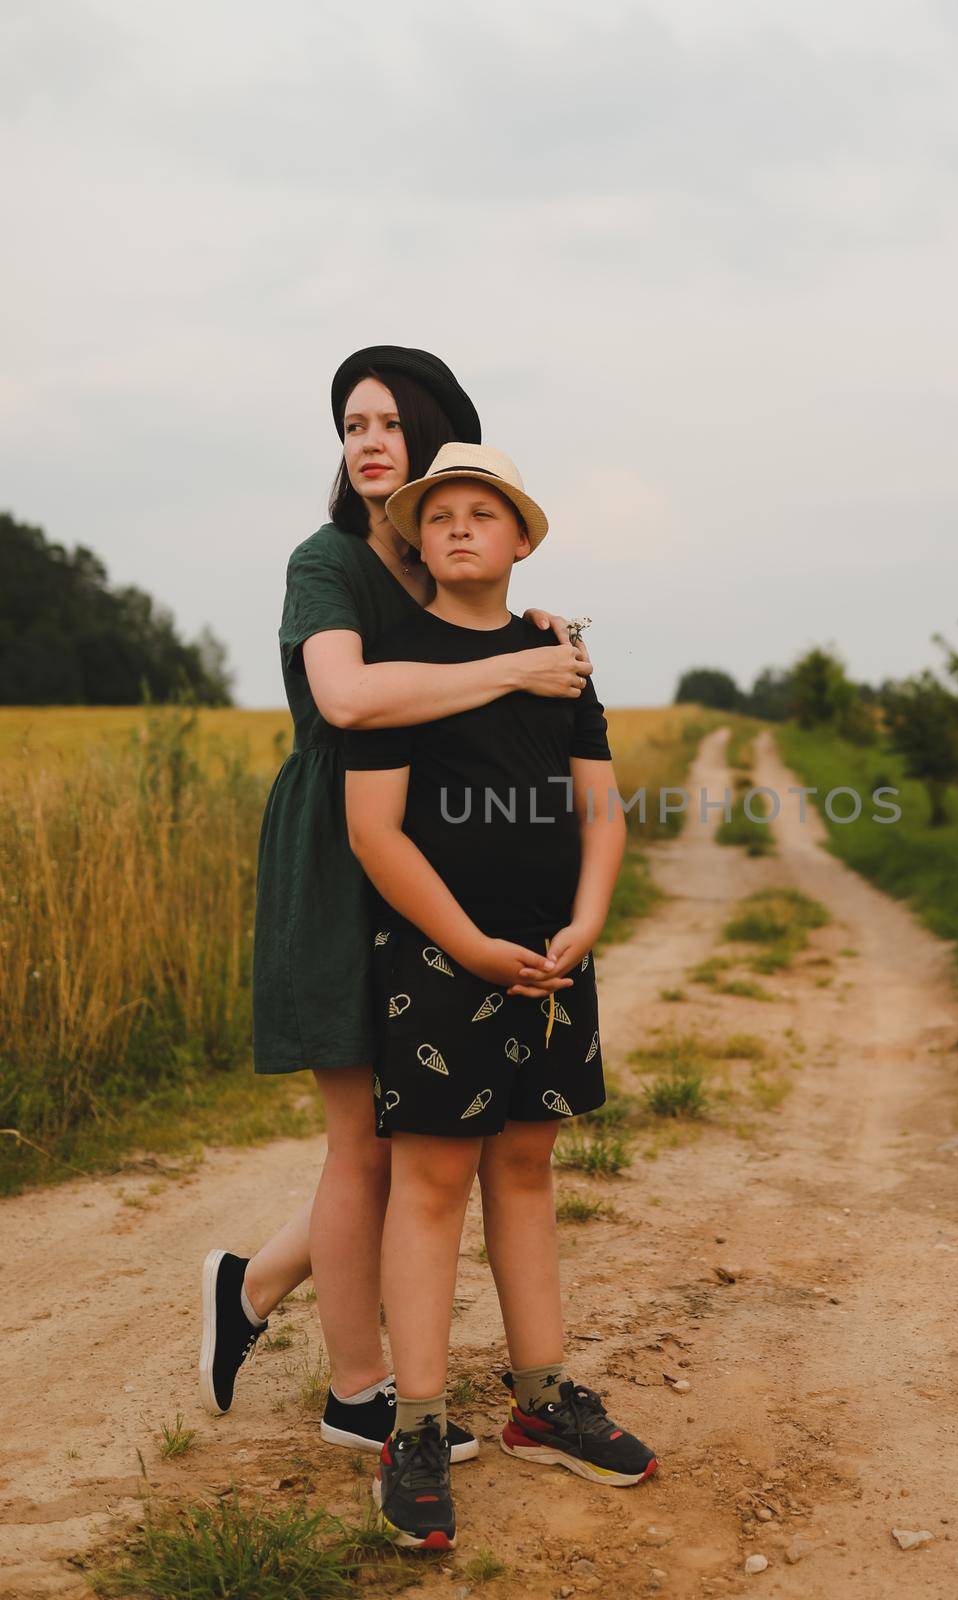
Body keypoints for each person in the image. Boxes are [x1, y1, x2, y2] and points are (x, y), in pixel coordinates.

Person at [199, 348, 592, 1467]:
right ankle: (358, 1394)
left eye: (388, 422)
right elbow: (347, 694)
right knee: (367, 1137)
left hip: (442, 854)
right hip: (342, 844)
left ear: (437, 441)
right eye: (349, 423)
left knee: (412, 1128)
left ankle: (258, 1281)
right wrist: (515, 672)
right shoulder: (325, 562)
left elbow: (488, 650)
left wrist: (526, 640)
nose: (366, 440)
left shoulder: (442, 563)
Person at [343, 441, 657, 1551]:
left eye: (485, 513)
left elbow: (602, 814)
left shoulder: (558, 659)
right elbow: (374, 830)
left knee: (525, 1165)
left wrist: (587, 918)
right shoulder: (404, 663)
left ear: (522, 540)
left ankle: (541, 1398)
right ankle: (416, 1429)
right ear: (419, 540)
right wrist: (468, 944)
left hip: (553, 957)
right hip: (441, 959)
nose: (460, 528)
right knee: (429, 1183)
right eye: (440, 516)